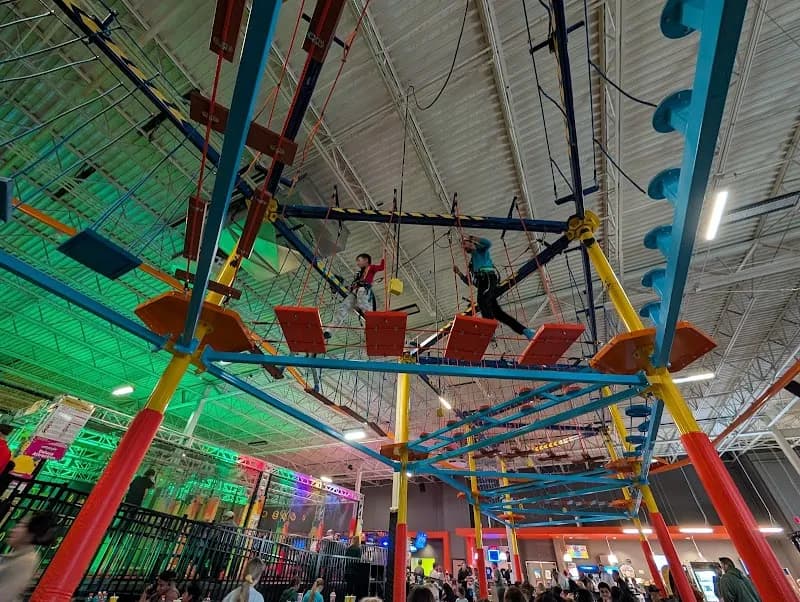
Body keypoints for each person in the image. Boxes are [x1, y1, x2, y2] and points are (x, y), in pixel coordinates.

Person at [453, 236, 534, 340]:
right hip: (483, 284)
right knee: (498, 314)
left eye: (465, 244)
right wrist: (459, 273)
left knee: (481, 301)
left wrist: (473, 237)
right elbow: (468, 282)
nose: (464, 247)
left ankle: (489, 330)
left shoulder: (480, 251)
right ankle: (526, 331)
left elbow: (488, 243)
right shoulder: (472, 265)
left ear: (471, 243)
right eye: (462, 246)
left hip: (487, 278)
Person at [324, 253, 385, 339]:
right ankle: (329, 330)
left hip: (363, 290)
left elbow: (382, 267)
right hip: (354, 292)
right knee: (343, 308)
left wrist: (383, 254)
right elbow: (353, 285)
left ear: (366, 260)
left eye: (359, 261)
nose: (357, 263)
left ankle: (373, 324)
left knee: (363, 303)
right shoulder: (358, 274)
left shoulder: (371, 268)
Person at [0, 511, 58, 600]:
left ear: (31, 534)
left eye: (21, 526)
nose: (13, 530)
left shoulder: (25, 561)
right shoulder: (17, 557)